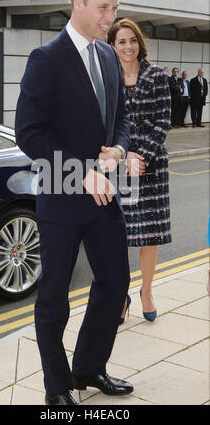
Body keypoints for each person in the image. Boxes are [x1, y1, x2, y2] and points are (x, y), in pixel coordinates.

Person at [15, 0, 134, 406]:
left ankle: (88, 368)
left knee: (116, 282)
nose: (112, 16)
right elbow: (28, 133)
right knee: (54, 299)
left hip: (104, 201)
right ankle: (57, 387)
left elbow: (121, 119)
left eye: (115, 7)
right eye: (104, 7)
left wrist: (119, 150)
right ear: (78, 3)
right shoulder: (45, 58)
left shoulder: (107, 57)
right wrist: (83, 169)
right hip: (62, 199)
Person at [107, 18, 172, 324]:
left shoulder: (156, 75)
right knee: (119, 236)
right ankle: (121, 295)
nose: (128, 46)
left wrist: (142, 155)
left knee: (149, 235)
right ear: (112, 45)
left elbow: (163, 120)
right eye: (121, 41)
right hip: (118, 166)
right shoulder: (106, 79)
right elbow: (103, 123)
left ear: (139, 42)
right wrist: (123, 155)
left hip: (152, 166)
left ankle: (146, 291)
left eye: (132, 40)